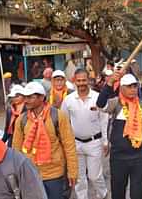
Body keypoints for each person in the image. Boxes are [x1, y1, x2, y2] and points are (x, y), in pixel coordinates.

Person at [96, 73, 142, 199]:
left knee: (137, 194)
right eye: (129, 86)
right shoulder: (116, 104)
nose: (133, 90)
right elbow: (101, 104)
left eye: (135, 86)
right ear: (121, 88)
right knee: (118, 193)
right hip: (119, 158)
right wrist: (109, 84)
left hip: (139, 158)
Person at [12, 82, 78, 199]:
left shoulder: (58, 116)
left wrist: (72, 171)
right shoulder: (21, 120)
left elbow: (69, 145)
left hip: (55, 174)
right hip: (30, 174)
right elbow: (16, 150)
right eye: (25, 97)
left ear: (42, 97)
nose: (26, 100)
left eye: (30, 97)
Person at [61, 69, 108, 199]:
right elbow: (64, 123)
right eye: (79, 80)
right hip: (75, 144)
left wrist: (105, 141)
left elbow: (104, 120)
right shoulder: (68, 100)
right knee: (79, 177)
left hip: (94, 143)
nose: (81, 83)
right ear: (74, 81)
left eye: (84, 80)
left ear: (89, 80)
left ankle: (103, 194)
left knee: (95, 176)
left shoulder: (98, 98)